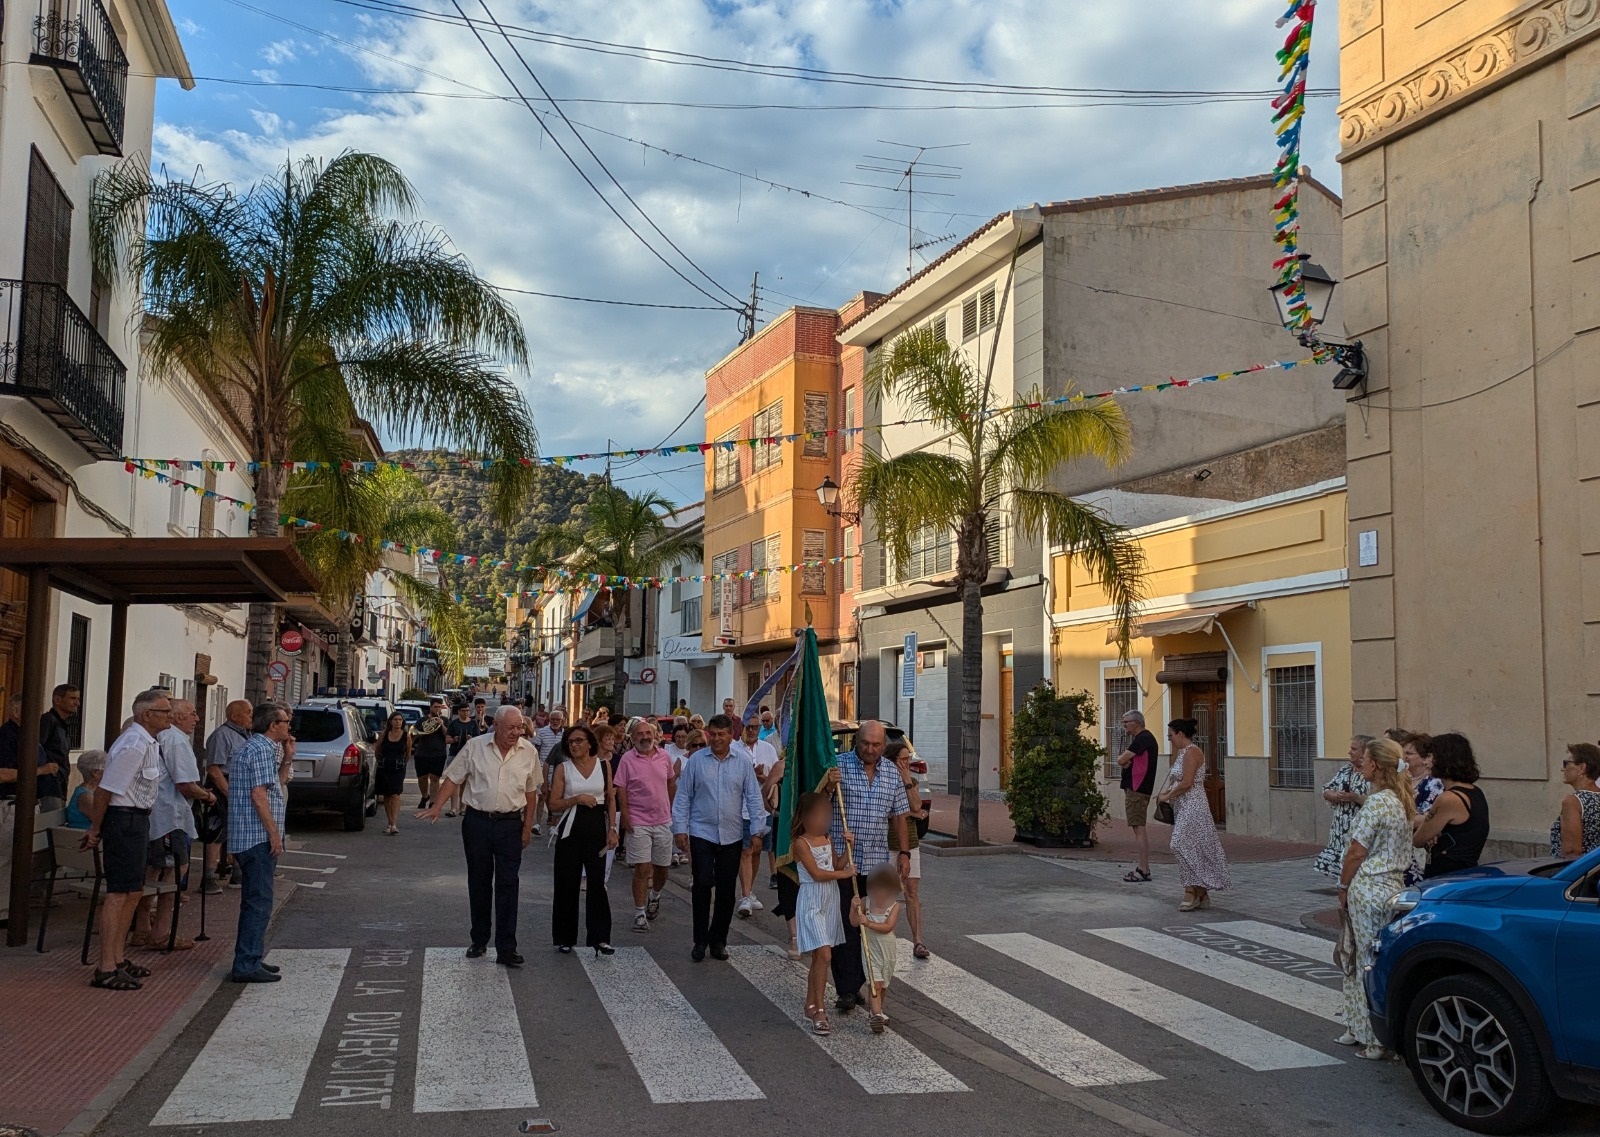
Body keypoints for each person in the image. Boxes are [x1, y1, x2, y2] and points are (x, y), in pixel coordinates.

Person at [419, 705, 541, 966]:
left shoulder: (528, 751)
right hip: (478, 822)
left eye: (519, 727)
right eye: (511, 727)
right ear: (495, 725)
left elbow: (532, 792)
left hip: (510, 823)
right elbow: (453, 778)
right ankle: (479, 940)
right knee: (479, 881)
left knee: (509, 884)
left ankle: (507, 948)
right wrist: (437, 806)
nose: (516, 732)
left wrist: (527, 827)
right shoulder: (475, 746)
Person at [79, 689, 172, 989]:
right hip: (124, 819)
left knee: (133, 891)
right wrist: (96, 828)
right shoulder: (134, 743)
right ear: (147, 715)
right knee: (119, 893)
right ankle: (105, 966)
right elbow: (106, 789)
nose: (169, 716)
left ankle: (118, 959)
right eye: (164, 711)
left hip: (136, 819)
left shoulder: (147, 742)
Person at [1337, 737, 1418, 1060]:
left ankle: (1372, 1037)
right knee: (1382, 960)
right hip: (1393, 886)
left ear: (1377, 766)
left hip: (1369, 885)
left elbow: (1357, 851)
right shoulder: (1401, 801)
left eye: (1366, 759)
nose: (1361, 764)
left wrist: (1343, 887)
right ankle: (1375, 1031)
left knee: (1361, 960)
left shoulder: (1376, 802)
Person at [828, 720, 911, 1014]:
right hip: (845, 860)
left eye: (876, 745)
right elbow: (818, 803)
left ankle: (864, 981)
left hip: (876, 861)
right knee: (846, 924)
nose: (870, 750)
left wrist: (903, 852)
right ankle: (847, 989)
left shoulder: (890, 771)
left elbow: (900, 814)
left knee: (874, 926)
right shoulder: (838, 765)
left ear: (883, 745)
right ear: (856, 742)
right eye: (865, 744)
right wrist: (827, 782)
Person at [670, 714, 767, 961]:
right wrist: (680, 829)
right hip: (702, 831)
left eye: (721, 735)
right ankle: (700, 940)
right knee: (702, 884)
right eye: (712, 734)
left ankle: (718, 940)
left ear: (730, 735)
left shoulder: (742, 762)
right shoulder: (696, 762)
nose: (716, 739)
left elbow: (754, 797)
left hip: (732, 834)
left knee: (726, 890)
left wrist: (757, 830)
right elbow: (683, 797)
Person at [135, 700, 215, 951]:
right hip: (170, 817)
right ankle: (159, 933)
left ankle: (141, 928)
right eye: (193, 713)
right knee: (173, 873)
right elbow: (185, 784)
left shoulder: (156, 737)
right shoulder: (176, 740)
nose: (197, 718)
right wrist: (208, 796)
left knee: (151, 872)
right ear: (178, 717)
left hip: (153, 815)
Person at [227, 702, 294, 983]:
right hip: (254, 836)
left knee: (259, 900)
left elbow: (274, 788)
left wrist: (288, 759)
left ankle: (251, 957)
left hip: (251, 835)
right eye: (285, 721)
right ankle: (245, 963)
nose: (289, 726)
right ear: (272, 726)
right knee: (259, 901)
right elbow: (259, 795)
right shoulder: (259, 750)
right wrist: (273, 834)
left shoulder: (261, 749)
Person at [548, 724, 616, 956]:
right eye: (570, 742)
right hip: (571, 827)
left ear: (590, 743)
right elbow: (553, 803)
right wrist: (576, 799)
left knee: (597, 883)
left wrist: (613, 828)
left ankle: (600, 938)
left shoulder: (603, 765)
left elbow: (610, 799)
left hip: (596, 825)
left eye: (579, 741)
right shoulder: (563, 769)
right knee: (567, 882)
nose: (574, 745)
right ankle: (565, 937)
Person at [791, 790, 850, 1035]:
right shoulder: (800, 843)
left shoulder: (826, 838)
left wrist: (848, 848)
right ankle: (821, 1010)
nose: (823, 820)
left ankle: (810, 1003)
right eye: (817, 815)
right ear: (804, 817)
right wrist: (843, 875)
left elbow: (836, 864)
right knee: (824, 954)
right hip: (812, 899)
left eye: (826, 815)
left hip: (829, 899)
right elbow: (817, 873)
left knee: (820, 957)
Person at [1157, 718, 1230, 911]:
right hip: (1183, 805)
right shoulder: (1181, 753)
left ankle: (1191, 889)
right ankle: (1200, 891)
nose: (1169, 739)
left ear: (1180, 734)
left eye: (1170, 735)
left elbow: (1187, 782)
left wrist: (1167, 796)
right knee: (1192, 846)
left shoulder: (1192, 752)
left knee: (1179, 843)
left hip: (1193, 804)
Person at [614, 717, 676, 934]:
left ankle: (655, 896)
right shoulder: (627, 760)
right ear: (632, 737)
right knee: (642, 868)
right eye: (640, 734)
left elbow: (670, 782)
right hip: (638, 821)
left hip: (662, 820)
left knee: (662, 868)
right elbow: (620, 788)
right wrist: (626, 815)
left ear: (654, 735)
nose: (645, 737)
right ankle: (639, 913)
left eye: (648, 733)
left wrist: (668, 807)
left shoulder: (664, 757)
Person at [1413, 732, 1490, 878]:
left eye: (1430, 757)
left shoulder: (1449, 799)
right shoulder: (1475, 792)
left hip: (1447, 874)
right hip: (1466, 871)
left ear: (1443, 759)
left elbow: (1418, 839)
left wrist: (1430, 829)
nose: (1426, 762)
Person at [885, 739, 931, 958]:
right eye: (903, 759)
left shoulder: (910, 780)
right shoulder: (882, 781)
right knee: (887, 894)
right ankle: (887, 939)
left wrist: (905, 779)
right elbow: (889, 813)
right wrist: (911, 814)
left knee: (912, 892)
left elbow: (916, 805)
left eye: (907, 759)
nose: (907, 763)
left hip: (910, 844)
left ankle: (918, 941)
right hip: (887, 844)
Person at [203, 699, 253, 892]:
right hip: (222, 788)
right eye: (248, 712)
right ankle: (208, 878)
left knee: (239, 831)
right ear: (234, 716)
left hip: (239, 787)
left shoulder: (246, 735)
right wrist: (229, 794)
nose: (251, 716)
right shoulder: (222, 735)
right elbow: (214, 769)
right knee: (217, 834)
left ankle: (238, 874)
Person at [734, 716, 779, 919]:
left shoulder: (768, 749)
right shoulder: (734, 749)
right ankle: (744, 896)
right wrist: (749, 776)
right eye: (748, 727)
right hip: (741, 809)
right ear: (742, 728)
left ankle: (749, 890)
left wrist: (763, 778)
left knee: (757, 850)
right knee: (746, 849)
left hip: (763, 809)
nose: (751, 730)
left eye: (755, 727)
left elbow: (777, 775)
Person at [851, 864, 903, 1035]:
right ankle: (876, 1014)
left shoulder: (894, 906)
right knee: (875, 983)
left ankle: (877, 1011)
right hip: (870, 949)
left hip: (887, 950)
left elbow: (888, 927)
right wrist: (854, 908)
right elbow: (853, 922)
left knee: (884, 984)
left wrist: (869, 923)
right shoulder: (865, 902)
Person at [1314, 735, 1374, 878]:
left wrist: (1356, 798)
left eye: (1354, 749)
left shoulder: (1373, 775)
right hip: (1340, 833)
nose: (1349, 752)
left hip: (1359, 832)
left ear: (1364, 752)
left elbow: (1377, 801)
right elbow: (1326, 789)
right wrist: (1335, 795)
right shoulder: (1346, 770)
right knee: (1342, 876)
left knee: (1356, 873)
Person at [1115, 710, 1160, 883]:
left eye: (1126, 722)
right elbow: (1127, 761)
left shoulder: (1143, 738)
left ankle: (1143, 868)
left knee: (1139, 827)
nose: (1124, 725)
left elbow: (1121, 760)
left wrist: (1125, 761)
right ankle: (1143, 867)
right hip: (1137, 788)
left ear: (1137, 722)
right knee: (1137, 827)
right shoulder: (1141, 740)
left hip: (1137, 789)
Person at [0, 693, 60, 808]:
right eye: (32, 711)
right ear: (16, 712)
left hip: (36, 801)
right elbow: (2, 774)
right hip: (13, 805)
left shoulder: (28, 735)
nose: (37, 716)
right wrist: (41, 770)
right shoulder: (6, 736)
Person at [1551, 742, 1600, 858]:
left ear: (1581, 768)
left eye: (1566, 763)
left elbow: (1571, 851)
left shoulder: (1573, 802)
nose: (1562, 769)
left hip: (1581, 873)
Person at [38, 683, 80, 813]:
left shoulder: (62, 725)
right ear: (57, 700)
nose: (77, 703)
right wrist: (44, 769)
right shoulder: (47, 721)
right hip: (47, 787)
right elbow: (37, 748)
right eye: (72, 698)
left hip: (59, 785)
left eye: (78, 699)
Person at [375, 711, 411, 836]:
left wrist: (402, 763)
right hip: (385, 766)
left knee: (395, 794)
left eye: (400, 720)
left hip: (398, 768)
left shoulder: (406, 735)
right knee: (387, 795)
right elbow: (377, 750)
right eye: (395, 719)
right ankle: (389, 823)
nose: (398, 722)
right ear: (391, 721)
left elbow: (408, 753)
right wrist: (381, 762)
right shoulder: (384, 734)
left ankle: (394, 824)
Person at [412, 700, 450, 811]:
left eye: (439, 707)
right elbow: (414, 734)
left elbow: (447, 735)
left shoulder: (445, 720)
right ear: (430, 707)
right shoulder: (422, 720)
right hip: (422, 752)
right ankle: (425, 796)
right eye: (435, 707)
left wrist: (441, 725)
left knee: (435, 777)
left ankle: (433, 801)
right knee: (422, 777)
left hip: (438, 752)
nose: (437, 709)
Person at [65, 750, 106, 828]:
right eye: (107, 768)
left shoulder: (94, 791)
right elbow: (101, 821)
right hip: (81, 837)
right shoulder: (85, 796)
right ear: (95, 773)